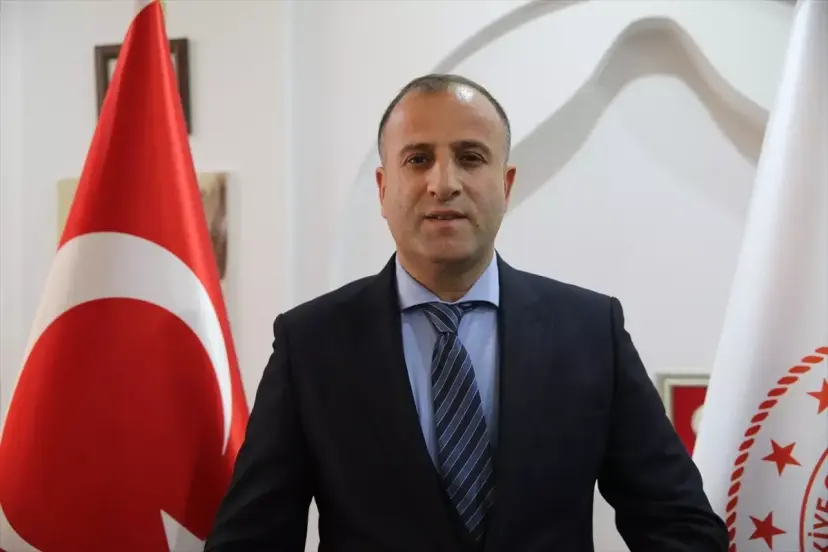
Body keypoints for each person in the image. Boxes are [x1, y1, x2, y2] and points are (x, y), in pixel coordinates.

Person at [204, 74, 728, 552]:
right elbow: (250, 540)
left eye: (471, 157)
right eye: (418, 159)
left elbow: (680, 526)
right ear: (383, 189)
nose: (444, 183)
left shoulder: (591, 332)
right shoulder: (311, 344)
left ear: (507, 184)